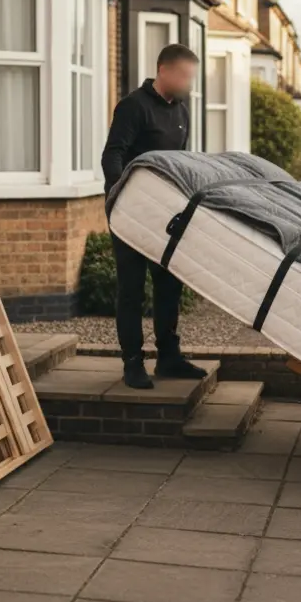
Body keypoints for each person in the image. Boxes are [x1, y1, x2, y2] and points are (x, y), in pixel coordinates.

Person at [101, 43, 209, 390]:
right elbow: (112, 156)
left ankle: (169, 358)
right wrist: (122, 200)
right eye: (184, 76)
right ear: (164, 71)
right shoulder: (134, 107)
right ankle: (132, 363)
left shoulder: (181, 110)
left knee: (168, 286)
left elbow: (179, 163)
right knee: (132, 290)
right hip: (130, 214)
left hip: (165, 214)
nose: (188, 84)